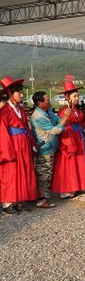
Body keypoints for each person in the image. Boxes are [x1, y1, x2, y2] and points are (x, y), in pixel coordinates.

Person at [51, 81, 85, 199]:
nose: (76, 98)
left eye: (77, 96)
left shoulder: (78, 110)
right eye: (74, 96)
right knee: (69, 164)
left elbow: (82, 123)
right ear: (67, 97)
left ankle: (79, 186)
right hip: (69, 138)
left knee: (79, 162)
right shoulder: (63, 111)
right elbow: (63, 127)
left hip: (79, 137)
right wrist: (68, 143)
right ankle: (67, 189)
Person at [0, 77, 38, 214]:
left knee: (23, 172)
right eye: (19, 93)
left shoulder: (21, 110)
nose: (22, 95)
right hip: (12, 145)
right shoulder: (4, 111)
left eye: (22, 92)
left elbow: (26, 128)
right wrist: (6, 151)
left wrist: (32, 143)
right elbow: (2, 132)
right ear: (11, 94)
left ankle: (18, 200)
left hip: (23, 143)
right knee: (10, 173)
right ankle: (7, 203)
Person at [30, 91, 71, 208]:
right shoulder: (38, 117)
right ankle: (41, 200)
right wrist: (65, 118)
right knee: (44, 175)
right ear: (39, 103)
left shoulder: (48, 111)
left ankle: (44, 197)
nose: (49, 101)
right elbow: (54, 131)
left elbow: (57, 120)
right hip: (44, 149)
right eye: (47, 100)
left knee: (47, 174)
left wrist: (62, 119)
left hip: (51, 148)